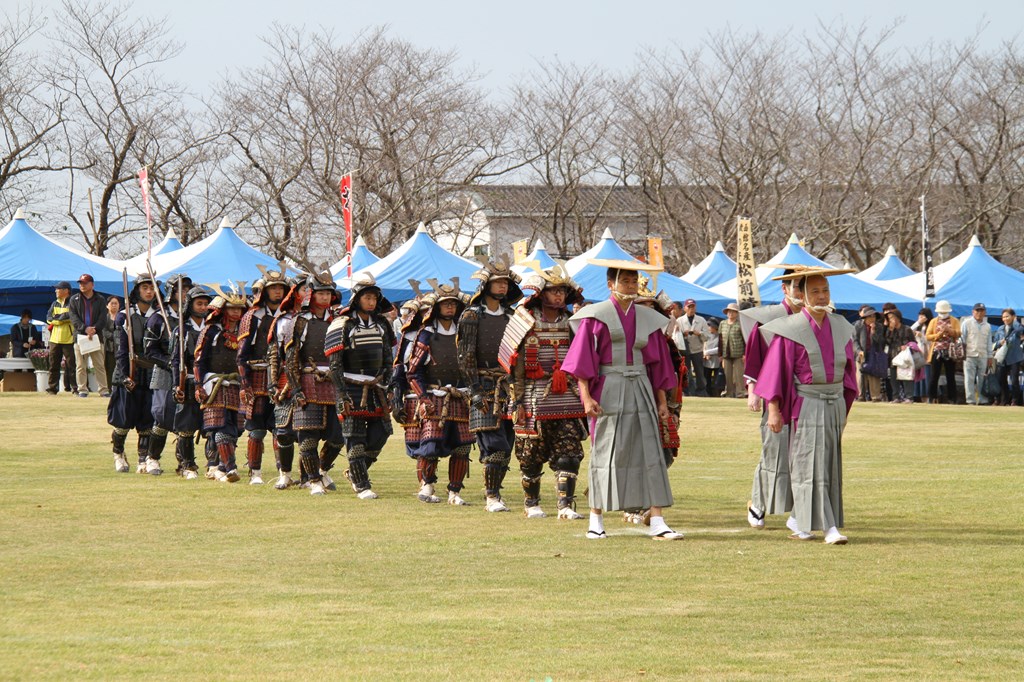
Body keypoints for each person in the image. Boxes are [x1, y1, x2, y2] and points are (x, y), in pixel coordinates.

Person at [561, 260, 683, 541]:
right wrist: (586, 397)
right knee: (604, 452)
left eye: (633, 280)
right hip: (608, 388)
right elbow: (582, 362)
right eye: (624, 281)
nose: (629, 285)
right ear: (610, 285)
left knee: (651, 451)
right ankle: (595, 520)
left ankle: (657, 521)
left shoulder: (648, 318)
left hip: (641, 386)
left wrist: (662, 402)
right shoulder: (594, 316)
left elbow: (658, 364)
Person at [755, 268, 857, 545]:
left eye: (825, 290)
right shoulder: (790, 329)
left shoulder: (841, 327)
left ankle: (801, 521)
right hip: (807, 403)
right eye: (814, 291)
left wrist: (843, 404)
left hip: (833, 401)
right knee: (807, 464)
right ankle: (828, 526)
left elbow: (849, 371)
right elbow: (776, 372)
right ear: (800, 294)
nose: (821, 296)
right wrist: (774, 409)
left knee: (826, 464)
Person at [499, 265, 588, 519]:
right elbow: (512, 363)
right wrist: (516, 400)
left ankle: (565, 506)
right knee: (530, 455)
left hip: (567, 395)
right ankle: (532, 503)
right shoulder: (524, 320)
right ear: (541, 293)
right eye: (553, 291)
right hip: (532, 394)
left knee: (570, 452)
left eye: (561, 291)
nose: (558, 296)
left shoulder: (573, 322)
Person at [739, 266, 805, 529]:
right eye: (797, 286)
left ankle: (801, 509)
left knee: (803, 454)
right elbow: (754, 357)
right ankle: (758, 502)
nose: (801, 292)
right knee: (773, 450)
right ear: (785, 288)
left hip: (808, 395)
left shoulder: (816, 319)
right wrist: (753, 393)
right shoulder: (769, 319)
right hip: (776, 393)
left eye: (805, 286)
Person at [457, 258, 523, 512]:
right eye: (497, 282)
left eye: (505, 282)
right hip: (482, 385)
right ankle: (492, 497)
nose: (503, 286)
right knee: (495, 446)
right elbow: (465, 356)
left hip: (507, 387)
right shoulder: (471, 316)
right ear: (486, 285)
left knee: (507, 444)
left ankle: (495, 493)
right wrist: (473, 390)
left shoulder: (512, 316)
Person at [403, 279, 475, 504]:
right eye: (446, 304)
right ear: (436, 308)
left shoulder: (463, 333)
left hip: (461, 396)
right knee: (430, 445)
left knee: (463, 447)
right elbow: (413, 372)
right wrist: (423, 398)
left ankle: (455, 492)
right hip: (434, 397)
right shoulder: (425, 334)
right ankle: (427, 485)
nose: (450, 308)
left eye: (453, 304)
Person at [324, 272, 395, 500]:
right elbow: (334, 364)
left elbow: (387, 359)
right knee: (354, 437)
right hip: (351, 386)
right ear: (357, 299)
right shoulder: (342, 323)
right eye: (367, 298)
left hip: (376, 388)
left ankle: (356, 470)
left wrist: (388, 384)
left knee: (381, 434)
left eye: (374, 298)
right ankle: (361, 485)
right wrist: (342, 393)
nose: (372, 302)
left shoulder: (383, 323)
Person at [283, 270, 345, 495]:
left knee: (338, 436)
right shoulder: (299, 321)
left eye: (328, 293)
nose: (326, 297)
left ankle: (322, 468)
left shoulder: (338, 321)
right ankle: (313, 480)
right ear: (311, 294)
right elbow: (291, 359)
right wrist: (296, 388)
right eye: (321, 293)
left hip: (334, 382)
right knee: (308, 438)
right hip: (308, 379)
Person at [237, 264, 289, 485]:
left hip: (282, 378)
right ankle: (255, 472)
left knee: (281, 429)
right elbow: (241, 355)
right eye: (273, 287)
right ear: (265, 290)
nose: (277, 291)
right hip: (258, 376)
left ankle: (283, 473)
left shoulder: (290, 316)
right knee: (256, 430)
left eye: (281, 288)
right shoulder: (253, 316)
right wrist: (245, 382)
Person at [195, 284, 252, 482]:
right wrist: (198, 385)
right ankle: (229, 467)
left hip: (237, 383)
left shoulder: (246, 332)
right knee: (220, 426)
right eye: (232, 308)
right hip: (215, 383)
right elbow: (199, 360)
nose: (236, 312)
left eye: (239, 308)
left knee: (237, 427)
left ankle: (221, 465)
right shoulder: (210, 331)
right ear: (223, 309)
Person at [107, 274, 158, 474]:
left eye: (151, 287)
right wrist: (124, 376)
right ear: (137, 290)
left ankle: (143, 459)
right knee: (123, 421)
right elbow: (120, 350)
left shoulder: (158, 315)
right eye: (145, 287)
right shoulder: (124, 315)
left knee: (147, 420)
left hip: (151, 373)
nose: (149, 291)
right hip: (128, 372)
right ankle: (118, 454)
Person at [142, 274, 191, 475]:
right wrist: (169, 361)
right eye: (182, 290)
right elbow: (149, 350)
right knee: (162, 415)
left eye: (188, 290)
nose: (186, 294)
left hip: (187, 373)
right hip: (164, 372)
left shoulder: (190, 318)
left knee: (185, 418)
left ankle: (184, 462)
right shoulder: (158, 319)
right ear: (172, 293)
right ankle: (152, 458)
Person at [267, 273, 310, 489]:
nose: (309, 294)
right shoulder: (282, 320)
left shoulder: (325, 318)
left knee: (309, 431)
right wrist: (273, 382)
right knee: (283, 431)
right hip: (286, 379)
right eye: (305, 289)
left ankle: (310, 477)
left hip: (313, 379)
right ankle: (284, 474)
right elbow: (274, 353)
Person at [170, 285, 212, 478]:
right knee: (186, 426)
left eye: (206, 304)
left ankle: (214, 465)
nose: (203, 307)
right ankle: (187, 465)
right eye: (199, 303)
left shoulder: (213, 327)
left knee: (213, 424)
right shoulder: (181, 330)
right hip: (187, 381)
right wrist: (175, 384)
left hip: (211, 382)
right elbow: (176, 360)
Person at [68, 273, 110, 398]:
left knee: (99, 365)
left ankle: (103, 390)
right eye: (80, 283)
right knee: (80, 365)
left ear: (92, 284)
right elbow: (73, 317)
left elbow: (103, 317)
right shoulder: (74, 299)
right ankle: (82, 389)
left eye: (85, 283)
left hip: (96, 336)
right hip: (80, 336)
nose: (82, 285)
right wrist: (84, 328)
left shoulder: (100, 299)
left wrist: (94, 329)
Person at [926, 300, 962, 404]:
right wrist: (939, 335)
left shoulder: (954, 320)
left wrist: (950, 331)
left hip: (950, 351)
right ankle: (932, 397)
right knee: (934, 375)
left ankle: (952, 398)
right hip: (937, 350)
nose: (943, 314)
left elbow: (959, 333)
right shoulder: (933, 321)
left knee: (950, 376)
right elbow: (928, 336)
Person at [46, 281, 77, 394]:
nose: (56, 291)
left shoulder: (73, 303)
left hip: (69, 339)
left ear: (66, 290)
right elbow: (48, 318)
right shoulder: (54, 303)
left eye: (58, 289)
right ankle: (52, 389)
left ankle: (75, 388)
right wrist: (59, 320)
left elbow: (71, 317)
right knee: (53, 365)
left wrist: (57, 319)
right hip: (54, 339)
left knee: (72, 365)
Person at [674, 298, 709, 397]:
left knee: (699, 372)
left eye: (693, 307)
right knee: (686, 372)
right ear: (685, 308)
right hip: (684, 350)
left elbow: (707, 336)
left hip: (697, 349)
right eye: (689, 307)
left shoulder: (701, 320)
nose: (691, 309)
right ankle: (689, 391)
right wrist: (682, 334)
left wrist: (699, 333)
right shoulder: (679, 321)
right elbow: (675, 336)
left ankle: (701, 391)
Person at [961, 303, 993, 405]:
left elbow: (989, 342)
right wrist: (962, 353)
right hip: (969, 355)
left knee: (982, 379)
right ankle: (970, 400)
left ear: (985, 312)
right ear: (973, 312)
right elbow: (962, 339)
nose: (979, 313)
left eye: (982, 311)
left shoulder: (987, 326)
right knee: (969, 378)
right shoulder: (966, 323)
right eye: (977, 310)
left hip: (983, 355)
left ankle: (982, 399)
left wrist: (990, 356)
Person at [992, 308, 1023, 407]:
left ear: (1013, 317)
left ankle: (1015, 401)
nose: (1005, 318)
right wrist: (999, 343)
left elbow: (1020, 331)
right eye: (1003, 317)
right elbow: (994, 343)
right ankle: (1004, 400)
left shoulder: (1018, 327)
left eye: (1007, 316)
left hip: (1014, 358)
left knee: (1014, 380)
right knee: (1001, 379)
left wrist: (1015, 322)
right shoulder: (1000, 329)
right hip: (1002, 358)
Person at [883, 309, 916, 403]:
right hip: (893, 356)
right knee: (893, 378)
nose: (891, 320)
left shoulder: (907, 329)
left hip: (905, 357)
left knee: (906, 377)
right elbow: (887, 342)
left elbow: (914, 342)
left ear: (898, 318)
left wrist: (907, 346)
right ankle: (896, 397)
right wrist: (890, 330)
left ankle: (909, 397)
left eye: (892, 317)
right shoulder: (889, 330)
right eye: (889, 318)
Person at [854, 307, 884, 402]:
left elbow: (880, 341)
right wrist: (859, 351)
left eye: (874, 316)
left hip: (874, 353)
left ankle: (875, 396)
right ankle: (861, 396)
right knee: (860, 376)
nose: (872, 318)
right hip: (861, 353)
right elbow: (854, 340)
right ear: (865, 317)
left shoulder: (879, 326)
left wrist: (873, 331)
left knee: (873, 375)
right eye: (870, 316)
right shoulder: (858, 325)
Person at [718, 302, 745, 398]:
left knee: (739, 375)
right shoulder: (722, 323)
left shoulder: (740, 324)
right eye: (729, 312)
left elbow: (744, 339)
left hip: (738, 353)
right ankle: (729, 393)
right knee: (727, 375)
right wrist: (720, 355)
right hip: (726, 353)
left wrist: (745, 354)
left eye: (733, 312)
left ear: (737, 313)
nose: (731, 314)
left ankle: (740, 393)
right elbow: (720, 339)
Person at [910, 308, 933, 402]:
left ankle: (929, 397)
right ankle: (919, 396)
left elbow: (931, 341)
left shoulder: (931, 325)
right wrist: (918, 323)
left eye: (923, 316)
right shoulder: (918, 326)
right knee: (919, 376)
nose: (921, 317)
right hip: (918, 354)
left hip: (928, 353)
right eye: (919, 315)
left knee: (927, 376)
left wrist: (922, 337)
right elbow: (909, 330)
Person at [103, 298, 121, 387]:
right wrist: (114, 336)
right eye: (112, 303)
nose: (114, 305)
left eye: (116, 303)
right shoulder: (104, 318)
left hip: (120, 347)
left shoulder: (122, 317)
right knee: (109, 368)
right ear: (107, 305)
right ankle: (109, 387)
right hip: (108, 347)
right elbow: (104, 331)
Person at [703, 319, 721, 397]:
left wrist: (707, 352)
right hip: (707, 360)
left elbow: (719, 348)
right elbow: (703, 345)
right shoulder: (706, 336)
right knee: (707, 379)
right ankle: (707, 393)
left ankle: (715, 394)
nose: (708, 327)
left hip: (716, 360)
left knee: (716, 380)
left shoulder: (720, 336)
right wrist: (704, 353)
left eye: (710, 326)